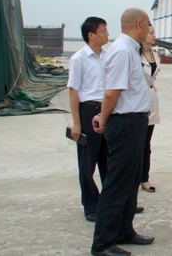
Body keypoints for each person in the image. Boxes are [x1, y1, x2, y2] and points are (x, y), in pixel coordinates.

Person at [90, 8, 154, 256]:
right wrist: (103, 118)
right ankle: (103, 243)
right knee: (117, 184)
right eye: (147, 24)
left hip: (135, 123)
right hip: (125, 123)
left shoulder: (130, 50)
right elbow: (111, 93)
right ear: (139, 24)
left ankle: (124, 231)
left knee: (130, 181)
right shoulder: (122, 51)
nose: (149, 29)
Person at [67, 16, 110, 223]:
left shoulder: (108, 56)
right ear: (91, 35)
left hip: (107, 110)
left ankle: (111, 203)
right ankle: (91, 206)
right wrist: (77, 123)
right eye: (104, 31)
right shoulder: (79, 58)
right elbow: (73, 91)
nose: (107, 34)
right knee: (87, 162)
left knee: (108, 161)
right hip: (87, 110)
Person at [140, 25, 160, 193]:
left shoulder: (155, 53)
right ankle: (133, 177)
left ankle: (144, 178)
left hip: (151, 100)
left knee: (146, 144)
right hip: (137, 101)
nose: (154, 35)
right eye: (151, 33)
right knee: (135, 144)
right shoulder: (134, 54)